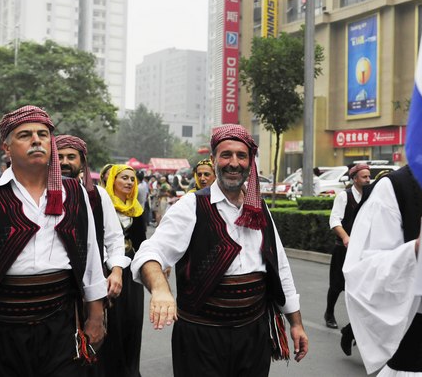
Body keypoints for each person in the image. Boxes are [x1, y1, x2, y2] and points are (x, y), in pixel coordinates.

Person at [0, 105, 107, 377]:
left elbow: (90, 255)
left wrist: (96, 315)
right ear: (7, 147)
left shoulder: (74, 192)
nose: (37, 140)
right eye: (25, 134)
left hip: (59, 329)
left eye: (43, 134)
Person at [131, 124, 309, 377]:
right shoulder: (192, 205)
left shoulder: (260, 208)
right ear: (214, 160)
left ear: (250, 162)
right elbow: (149, 253)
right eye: (226, 155)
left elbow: (280, 268)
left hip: (254, 335)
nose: (233, 163)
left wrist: (296, 323)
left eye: (241, 155)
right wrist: (160, 289)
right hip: (201, 338)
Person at [343, 165, 422, 376]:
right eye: (363, 176)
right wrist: (414, 250)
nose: (367, 179)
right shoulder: (395, 187)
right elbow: (362, 273)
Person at [56, 135, 132, 377]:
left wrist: (117, 270)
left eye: (71, 157)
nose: (65, 162)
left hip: (93, 286)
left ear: (82, 162)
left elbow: (114, 239)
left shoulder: (97, 196)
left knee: (92, 349)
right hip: (55, 290)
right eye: (59, 157)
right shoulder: (42, 194)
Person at [104, 164, 147, 377]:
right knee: (112, 320)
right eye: (124, 178)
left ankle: (130, 371)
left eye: (132, 179)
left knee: (132, 318)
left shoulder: (138, 209)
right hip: (108, 269)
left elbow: (142, 242)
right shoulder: (103, 205)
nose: (129, 182)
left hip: (132, 272)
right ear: (113, 180)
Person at [324, 164, 370, 331]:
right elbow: (334, 220)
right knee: (337, 284)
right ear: (355, 179)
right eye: (364, 177)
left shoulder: (369, 197)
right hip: (343, 249)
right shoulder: (345, 196)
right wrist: (345, 237)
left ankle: (357, 322)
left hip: (362, 250)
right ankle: (329, 313)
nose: (367, 180)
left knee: (360, 287)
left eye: (368, 176)